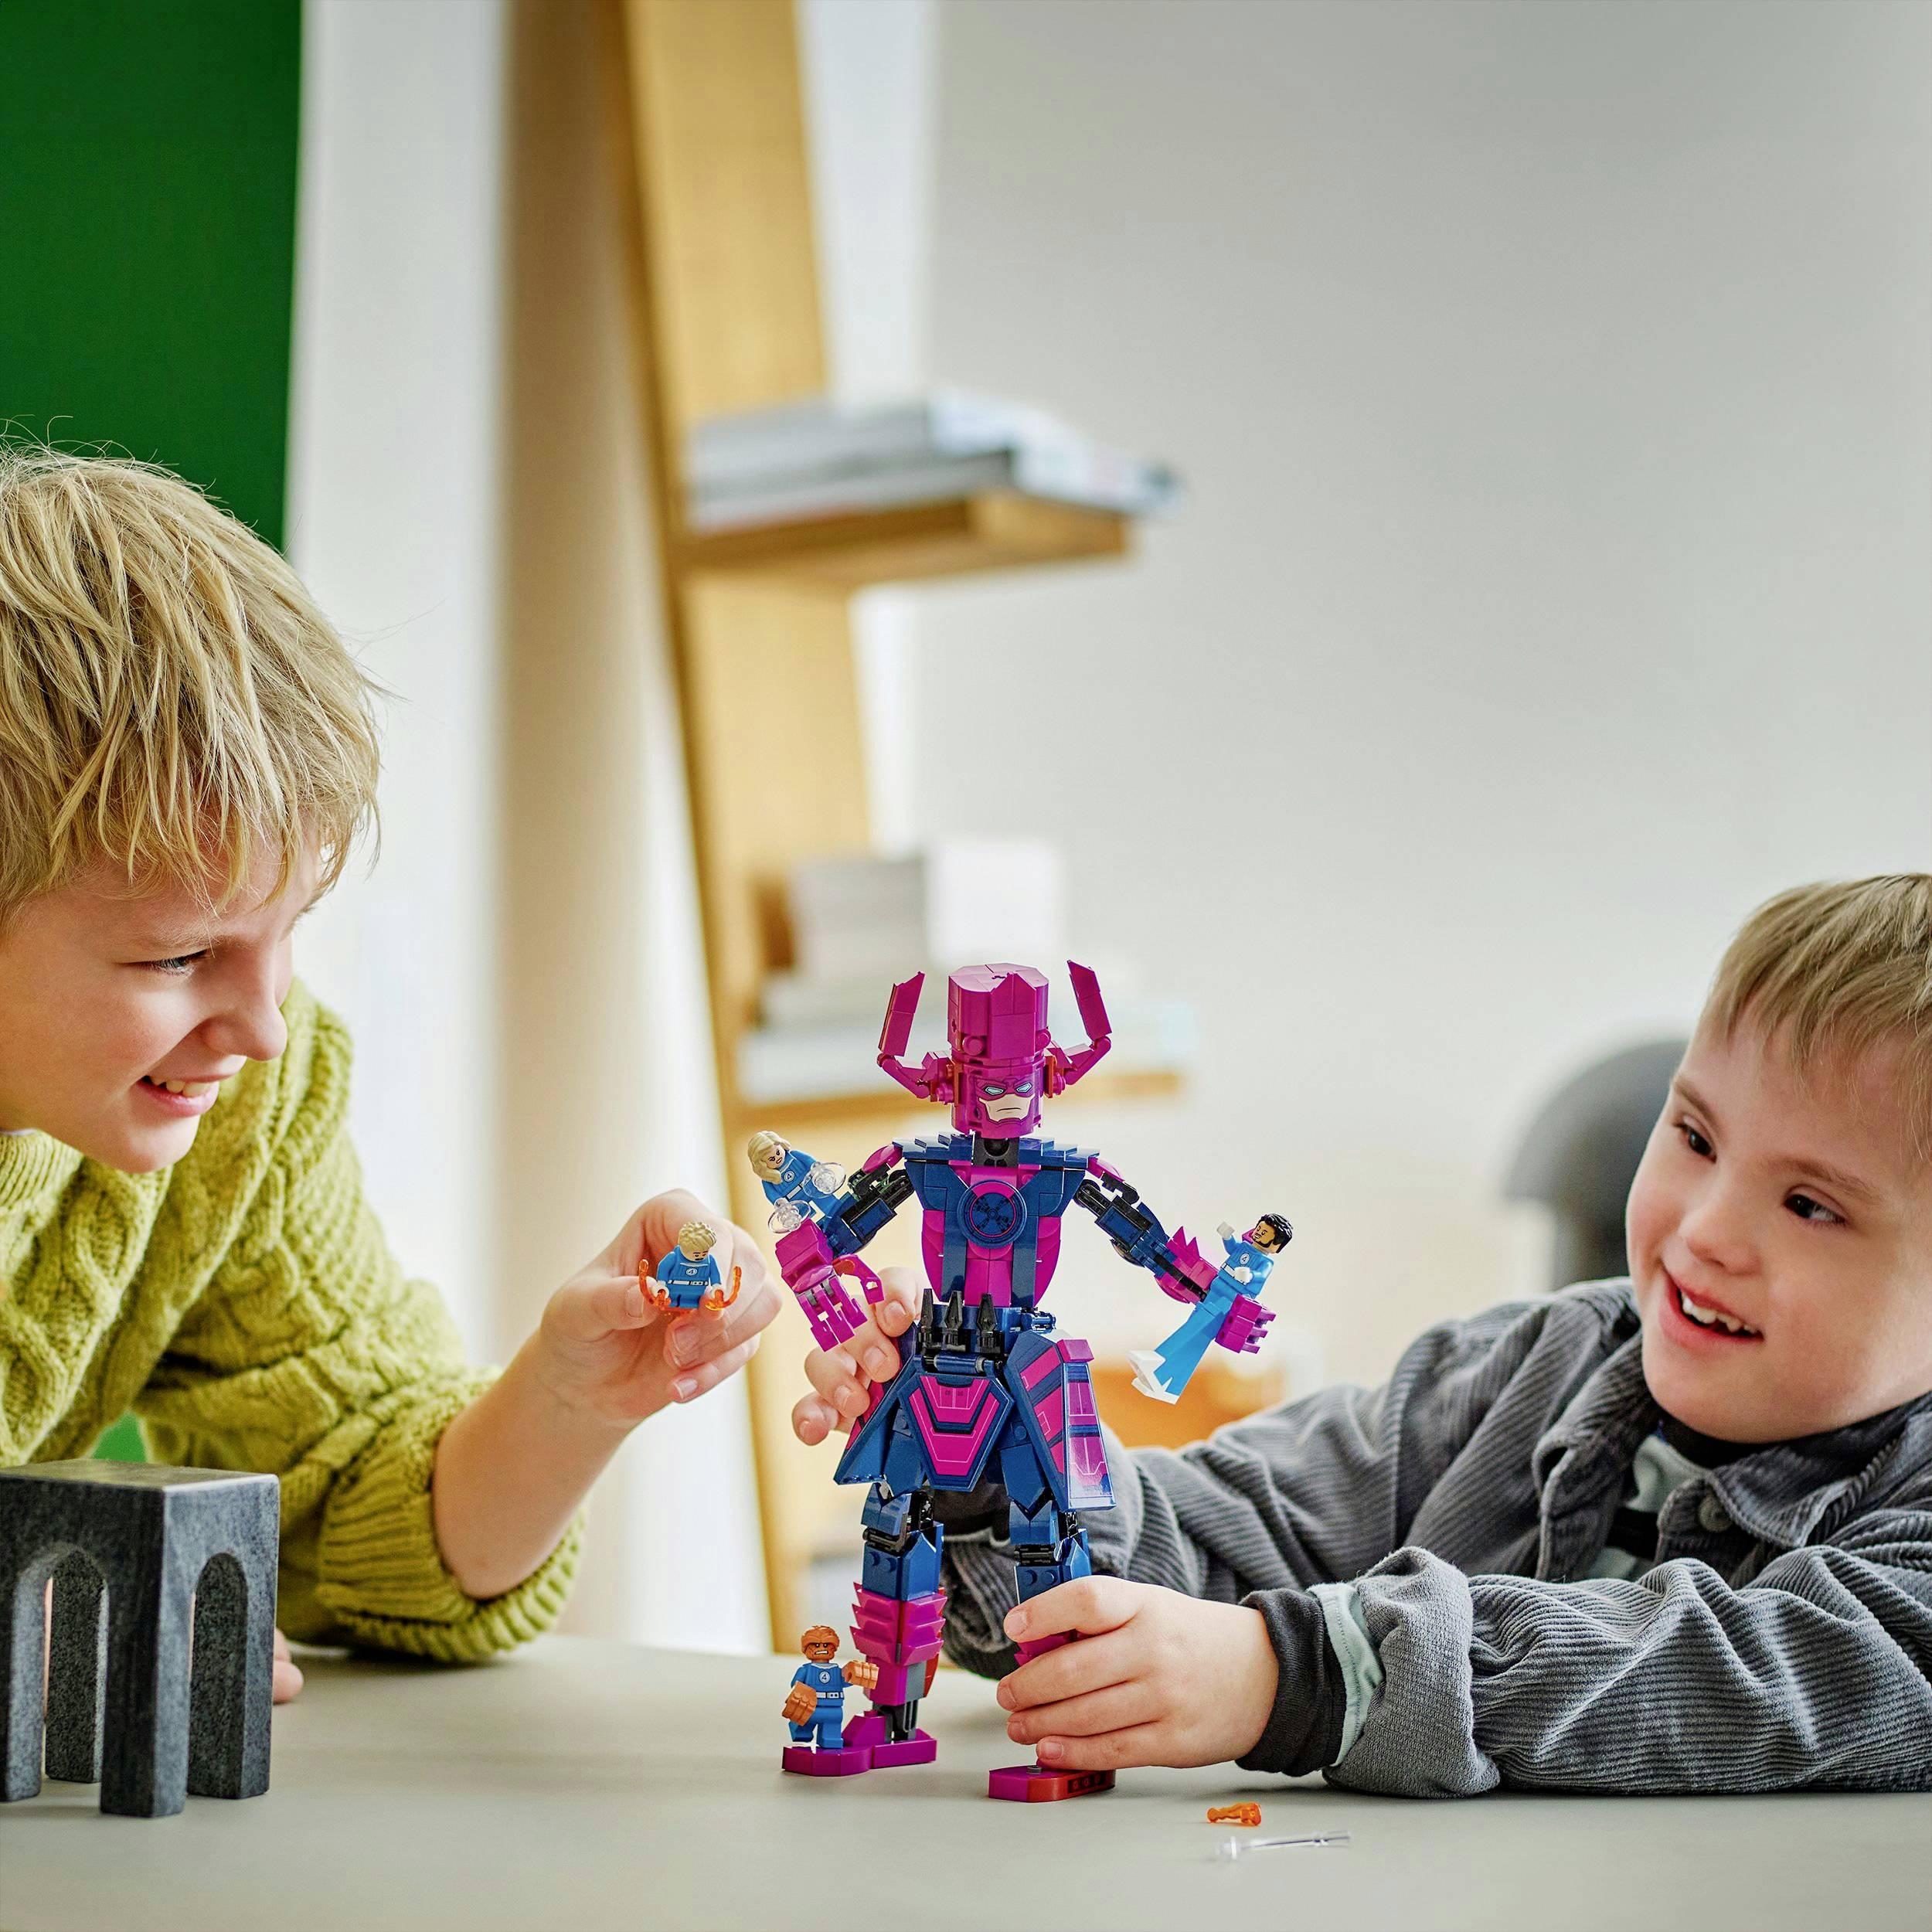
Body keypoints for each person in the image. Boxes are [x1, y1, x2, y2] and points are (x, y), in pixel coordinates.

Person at [791, 876, 1932, 1794]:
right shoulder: (1516, 1371)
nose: (1709, 1228)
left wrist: (1310, 1675)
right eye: (1694, 1134)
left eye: (1812, 1205)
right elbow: (1236, 1533)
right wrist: (1002, 1478)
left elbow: (1744, 1674)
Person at [0, 447, 779, 1703]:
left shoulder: (247, 1102)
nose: (261, 1023)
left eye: (290, 930)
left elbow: (365, 1515)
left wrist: (570, 1398)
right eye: (183, 954)